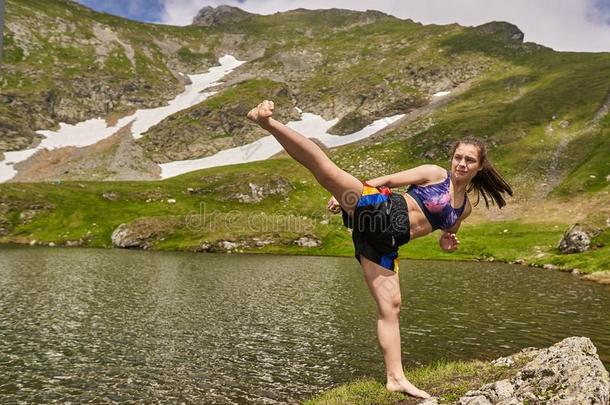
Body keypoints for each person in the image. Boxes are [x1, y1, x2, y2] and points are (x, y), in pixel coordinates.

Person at [246, 100, 513, 399]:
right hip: (381, 210)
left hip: (384, 242)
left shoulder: (463, 209)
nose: (461, 164)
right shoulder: (435, 174)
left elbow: (447, 236)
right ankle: (267, 122)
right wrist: (347, 195)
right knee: (325, 171)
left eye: (469, 161)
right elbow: (387, 181)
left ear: (479, 167)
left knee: (391, 307)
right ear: (451, 159)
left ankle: (395, 378)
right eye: (458, 158)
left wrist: (447, 243)